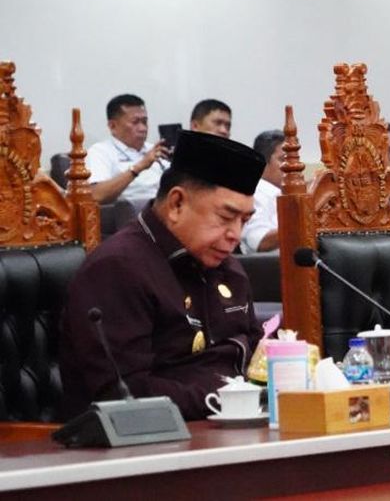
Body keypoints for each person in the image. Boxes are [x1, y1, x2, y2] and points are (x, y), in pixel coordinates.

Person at [60, 130, 266, 421]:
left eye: (244, 221)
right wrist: (227, 398)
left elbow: (256, 357)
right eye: (225, 217)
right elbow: (126, 394)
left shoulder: (228, 269)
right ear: (176, 204)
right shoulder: (117, 268)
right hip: (148, 440)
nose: (236, 235)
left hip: (234, 426)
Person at [87, 94, 169, 207]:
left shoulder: (155, 150)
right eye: (135, 122)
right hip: (129, 213)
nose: (143, 128)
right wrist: (138, 168)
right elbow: (97, 195)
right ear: (112, 126)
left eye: (144, 122)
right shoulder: (101, 151)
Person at [241, 130, 285, 253]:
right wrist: (304, 222)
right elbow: (260, 241)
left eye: (295, 159)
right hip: (269, 264)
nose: (292, 165)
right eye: (283, 159)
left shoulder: (281, 193)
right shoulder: (255, 194)